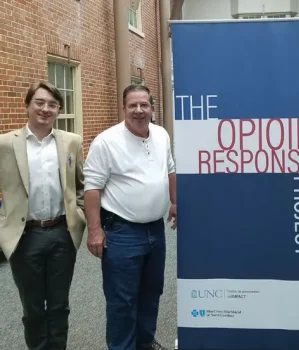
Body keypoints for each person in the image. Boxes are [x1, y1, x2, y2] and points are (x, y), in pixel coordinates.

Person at [83, 84, 177, 350]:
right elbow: (92, 188)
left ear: (152, 108)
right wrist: (94, 230)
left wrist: (174, 201)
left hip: (155, 231)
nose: (139, 110)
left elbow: (170, 169)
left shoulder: (161, 134)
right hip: (122, 233)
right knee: (122, 300)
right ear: (123, 108)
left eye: (144, 105)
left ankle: (145, 342)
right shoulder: (106, 141)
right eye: (132, 105)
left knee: (151, 293)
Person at [0, 82, 86, 349]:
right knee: (33, 308)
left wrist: (79, 216)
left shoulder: (72, 142)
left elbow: (81, 185)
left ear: (59, 109)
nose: (45, 109)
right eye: (39, 102)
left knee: (60, 305)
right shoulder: (4, 144)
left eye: (52, 104)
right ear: (27, 105)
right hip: (25, 237)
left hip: (62, 233)